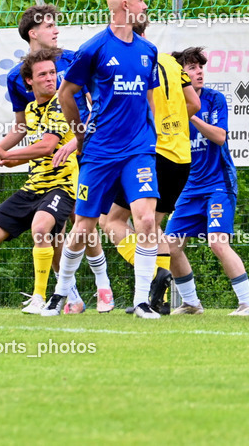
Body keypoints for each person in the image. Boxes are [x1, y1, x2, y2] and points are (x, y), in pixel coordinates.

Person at [43, 0, 163, 318]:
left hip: (139, 150)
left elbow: (149, 97)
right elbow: (66, 93)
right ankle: (60, 293)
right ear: (125, 5)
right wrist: (80, 135)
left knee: (145, 220)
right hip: (99, 151)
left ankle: (141, 300)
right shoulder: (94, 48)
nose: (145, 4)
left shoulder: (148, 50)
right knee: (83, 227)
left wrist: (151, 134)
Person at [5, 4, 110, 314]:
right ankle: (71, 296)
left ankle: (103, 286)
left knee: (85, 220)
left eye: (56, 24)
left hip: (84, 150)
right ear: (32, 33)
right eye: (49, 25)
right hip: (49, 161)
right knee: (52, 232)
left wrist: (82, 137)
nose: (56, 30)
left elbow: (96, 102)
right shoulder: (17, 77)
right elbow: (21, 127)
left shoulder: (76, 59)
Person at [92, 19, 200, 315]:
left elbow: (130, 106)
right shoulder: (170, 63)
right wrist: (172, 121)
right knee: (152, 225)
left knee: (111, 221)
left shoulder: (134, 63)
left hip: (152, 153)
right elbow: (193, 104)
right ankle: (159, 299)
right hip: (181, 157)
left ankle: (154, 274)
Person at [0, 48, 79, 316]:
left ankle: (40, 297)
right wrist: (0, 158)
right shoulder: (30, 110)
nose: (51, 79)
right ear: (29, 81)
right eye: (43, 75)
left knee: (41, 227)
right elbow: (30, 152)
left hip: (62, 185)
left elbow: (47, 147)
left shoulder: (61, 103)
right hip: (34, 186)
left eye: (53, 73)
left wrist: (6, 153)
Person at [164, 47, 249, 316]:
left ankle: (247, 303)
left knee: (217, 242)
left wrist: (190, 114)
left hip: (218, 183)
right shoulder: (169, 106)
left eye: (200, 67)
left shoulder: (214, 99)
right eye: (192, 68)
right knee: (171, 245)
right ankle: (192, 303)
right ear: (179, 75)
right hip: (189, 187)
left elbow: (219, 136)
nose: (199, 72)